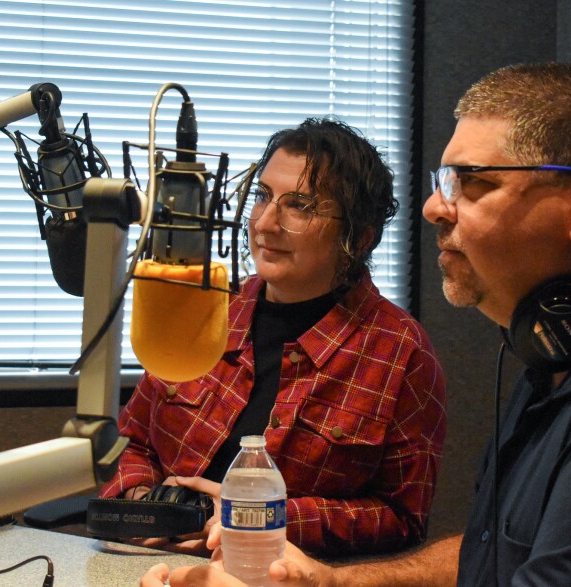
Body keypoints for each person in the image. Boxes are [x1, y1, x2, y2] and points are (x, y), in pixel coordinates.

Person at [140, 62, 571, 586]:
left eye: (470, 182)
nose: (432, 207)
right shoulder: (569, 343)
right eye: (440, 180)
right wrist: (335, 585)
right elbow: (497, 554)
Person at [103, 116, 447, 557]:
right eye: (263, 197)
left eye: (300, 206)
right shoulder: (206, 309)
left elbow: (402, 519)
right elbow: (132, 443)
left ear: (359, 237)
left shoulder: (400, 353)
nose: (264, 224)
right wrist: (145, 506)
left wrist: (262, 515)